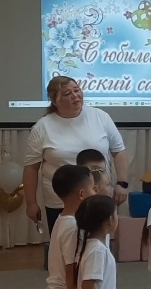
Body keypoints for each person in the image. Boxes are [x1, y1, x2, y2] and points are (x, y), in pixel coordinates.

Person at [25, 77, 130, 235]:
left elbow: (119, 151)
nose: (75, 96)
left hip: (98, 197)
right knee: (65, 244)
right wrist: (31, 203)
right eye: (68, 93)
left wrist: (122, 183)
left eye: (77, 90)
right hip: (61, 202)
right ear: (55, 100)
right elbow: (31, 168)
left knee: (97, 243)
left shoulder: (100, 117)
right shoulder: (42, 127)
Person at [44, 165, 96, 289]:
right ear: (82, 194)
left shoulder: (63, 219)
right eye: (93, 188)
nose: (95, 192)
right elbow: (70, 270)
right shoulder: (72, 227)